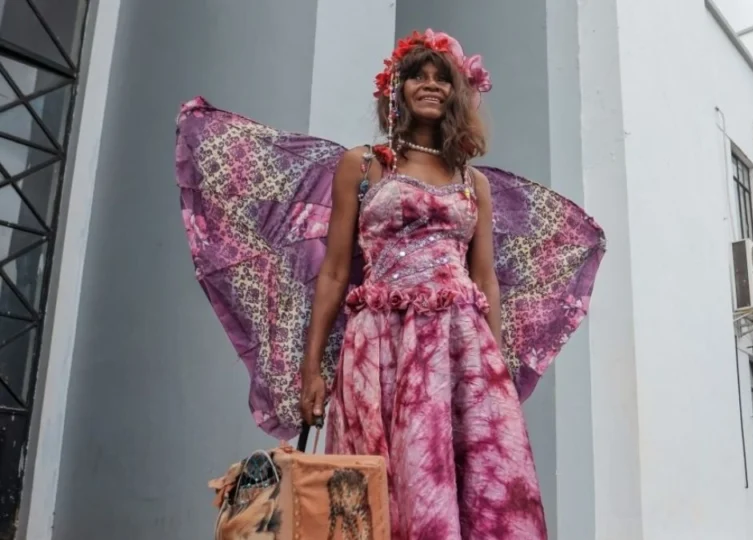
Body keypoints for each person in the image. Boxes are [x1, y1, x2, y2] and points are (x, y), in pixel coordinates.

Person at [174, 29, 605, 540]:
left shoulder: (473, 182)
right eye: (417, 76)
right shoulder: (364, 165)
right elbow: (334, 270)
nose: (430, 86)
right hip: (378, 346)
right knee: (378, 485)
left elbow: (484, 276)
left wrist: (499, 372)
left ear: (457, 94)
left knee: (480, 481)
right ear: (394, 89)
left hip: (459, 349)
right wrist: (312, 369)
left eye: (442, 79)